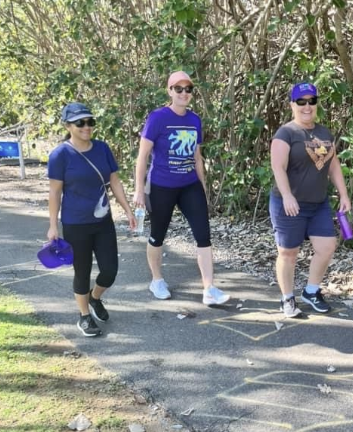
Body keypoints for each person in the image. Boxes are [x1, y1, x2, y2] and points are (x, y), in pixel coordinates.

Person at [133, 70, 230, 306]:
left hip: (189, 186)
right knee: (157, 235)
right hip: (161, 187)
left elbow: (197, 157)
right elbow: (143, 156)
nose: (184, 93)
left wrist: (203, 187)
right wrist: (138, 190)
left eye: (188, 89)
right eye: (178, 89)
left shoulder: (194, 120)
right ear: (170, 91)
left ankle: (209, 288)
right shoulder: (157, 118)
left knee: (203, 235)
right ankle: (157, 280)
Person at [47, 102, 137, 337]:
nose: (87, 127)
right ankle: (84, 316)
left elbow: (114, 182)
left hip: (103, 221)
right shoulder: (60, 155)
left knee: (110, 270)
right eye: (80, 123)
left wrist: (127, 209)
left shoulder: (102, 148)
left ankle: (94, 298)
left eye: (90, 122)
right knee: (82, 271)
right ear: (68, 125)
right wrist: (53, 226)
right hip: (75, 223)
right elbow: (55, 192)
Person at [270, 82, 351, 318]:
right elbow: (278, 166)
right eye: (301, 102)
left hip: (318, 203)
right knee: (288, 253)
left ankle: (311, 291)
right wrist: (287, 195)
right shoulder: (286, 133)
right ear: (292, 105)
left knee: (327, 247)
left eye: (311, 101)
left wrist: (343, 194)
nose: (307, 106)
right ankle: (287, 298)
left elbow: (333, 165)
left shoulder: (325, 133)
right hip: (289, 203)